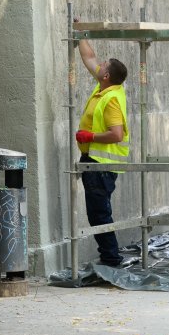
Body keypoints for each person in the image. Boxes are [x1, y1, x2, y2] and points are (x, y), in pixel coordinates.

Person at [74, 23, 129, 267]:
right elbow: (88, 55)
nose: (99, 65)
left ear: (106, 75)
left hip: (101, 165)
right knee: (97, 213)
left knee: (99, 214)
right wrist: (79, 32)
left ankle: (111, 259)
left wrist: (90, 137)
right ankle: (109, 257)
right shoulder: (103, 88)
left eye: (103, 65)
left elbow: (116, 134)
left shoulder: (111, 99)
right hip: (94, 163)